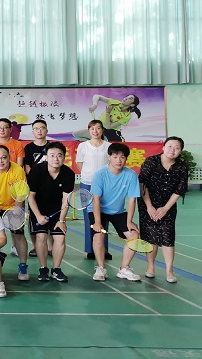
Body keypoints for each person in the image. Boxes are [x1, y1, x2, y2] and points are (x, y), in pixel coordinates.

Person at [139, 136, 188, 283]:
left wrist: (165, 208)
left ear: (180, 151)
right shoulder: (151, 161)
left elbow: (180, 189)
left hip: (168, 205)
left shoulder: (182, 166)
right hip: (148, 204)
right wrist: (149, 207)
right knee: (151, 236)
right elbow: (142, 184)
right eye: (170, 146)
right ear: (163, 147)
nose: (172, 150)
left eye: (177, 148)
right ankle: (150, 267)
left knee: (168, 236)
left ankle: (169, 270)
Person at [90, 143, 142, 282]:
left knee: (134, 235)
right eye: (115, 157)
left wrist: (129, 221)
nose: (119, 160)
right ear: (109, 157)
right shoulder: (100, 174)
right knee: (98, 236)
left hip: (118, 211)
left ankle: (124, 269)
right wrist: (97, 222)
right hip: (99, 210)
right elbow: (96, 199)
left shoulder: (131, 175)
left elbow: (132, 200)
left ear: (126, 159)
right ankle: (101, 268)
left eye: (122, 157)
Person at [27, 142, 75, 282]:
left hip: (57, 211)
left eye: (59, 155)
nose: (56, 159)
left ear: (64, 157)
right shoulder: (36, 171)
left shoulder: (68, 174)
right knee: (41, 237)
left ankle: (56, 269)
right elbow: (30, 196)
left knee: (60, 238)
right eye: (52, 155)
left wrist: (61, 220)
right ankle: (43, 268)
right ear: (46, 157)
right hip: (38, 209)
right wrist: (38, 216)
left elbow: (66, 199)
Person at [0, 145, 30, 280]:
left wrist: (16, 212)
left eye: (4, 157)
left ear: (9, 157)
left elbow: (20, 195)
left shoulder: (18, 170)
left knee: (18, 235)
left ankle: (23, 266)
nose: (0, 161)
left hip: (13, 206)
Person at [76, 119, 112, 260]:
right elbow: (79, 163)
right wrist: (89, 175)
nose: (95, 131)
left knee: (104, 216)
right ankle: (90, 249)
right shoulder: (83, 146)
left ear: (102, 130)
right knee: (88, 217)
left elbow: (111, 164)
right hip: (87, 184)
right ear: (89, 131)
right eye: (92, 128)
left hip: (105, 185)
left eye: (98, 128)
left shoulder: (108, 146)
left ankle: (104, 249)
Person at [23, 119, 51, 258]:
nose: (39, 131)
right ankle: (34, 246)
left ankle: (50, 247)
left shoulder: (52, 146)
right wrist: (35, 178)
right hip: (34, 186)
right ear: (32, 131)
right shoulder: (28, 148)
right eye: (36, 128)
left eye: (42, 128)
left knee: (51, 215)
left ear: (46, 130)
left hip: (50, 186)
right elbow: (27, 166)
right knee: (34, 216)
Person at [74, 94, 141, 142]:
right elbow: (97, 96)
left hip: (112, 133)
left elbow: (109, 127)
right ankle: (97, 142)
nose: (126, 98)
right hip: (99, 128)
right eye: (127, 97)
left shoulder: (127, 116)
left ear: (132, 105)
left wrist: (108, 113)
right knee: (76, 134)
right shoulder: (115, 102)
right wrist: (95, 104)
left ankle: (101, 142)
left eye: (130, 98)